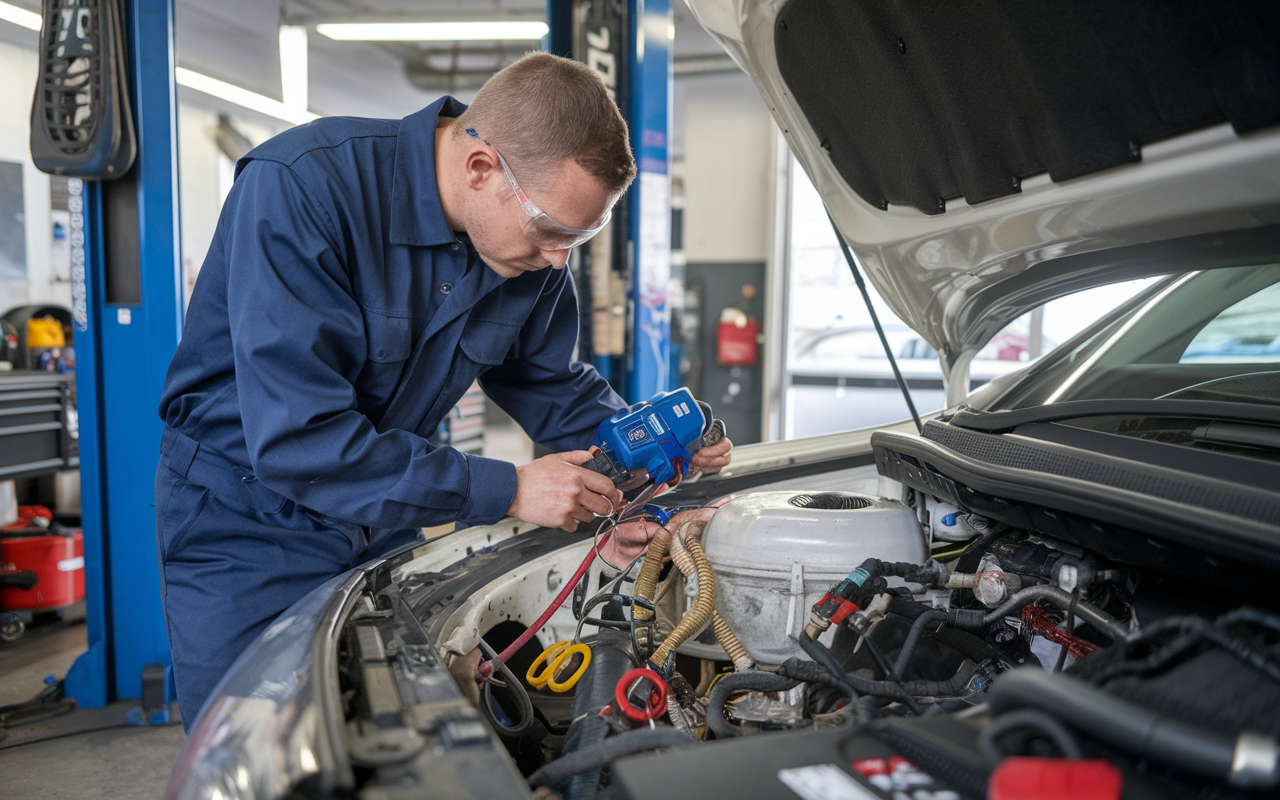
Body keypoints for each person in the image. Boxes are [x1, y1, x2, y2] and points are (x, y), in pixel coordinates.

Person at [154, 53, 733, 729]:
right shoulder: (302, 189)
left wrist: (645, 465)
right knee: (260, 741)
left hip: (385, 508)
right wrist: (511, 488)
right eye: (551, 231)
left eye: (579, 238)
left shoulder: (525, 249)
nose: (557, 260)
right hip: (247, 521)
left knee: (392, 729)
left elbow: (548, 385)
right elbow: (299, 439)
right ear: (481, 169)